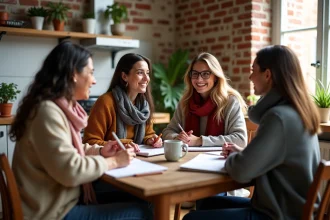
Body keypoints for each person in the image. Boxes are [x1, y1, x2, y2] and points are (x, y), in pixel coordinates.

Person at [9, 41, 153, 220]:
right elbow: (72, 170)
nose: (94, 80)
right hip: (52, 212)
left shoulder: (53, 108)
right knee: (143, 212)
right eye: (91, 73)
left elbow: (69, 150)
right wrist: (114, 162)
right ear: (73, 75)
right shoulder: (47, 113)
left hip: (59, 200)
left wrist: (101, 150)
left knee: (144, 199)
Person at [183, 45, 321, 220]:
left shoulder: (278, 117)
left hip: (278, 214)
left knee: (190, 219)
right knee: (206, 202)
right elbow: (276, 159)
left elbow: (241, 171)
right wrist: (243, 154)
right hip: (283, 207)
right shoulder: (296, 111)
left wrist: (237, 158)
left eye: (253, 70)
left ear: (268, 75)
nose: (250, 77)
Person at [162, 52, 248, 202]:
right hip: (189, 170)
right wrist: (178, 137)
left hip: (221, 176)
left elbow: (240, 140)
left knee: (206, 201)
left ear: (215, 76)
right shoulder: (185, 103)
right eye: (195, 74)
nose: (199, 79)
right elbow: (167, 132)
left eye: (205, 74)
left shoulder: (229, 102)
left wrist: (199, 141)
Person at [83, 53, 162, 149]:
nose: (146, 78)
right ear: (124, 76)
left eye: (147, 73)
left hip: (138, 159)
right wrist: (121, 145)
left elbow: (148, 134)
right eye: (140, 73)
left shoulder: (143, 105)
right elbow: (90, 142)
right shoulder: (106, 102)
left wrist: (151, 139)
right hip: (112, 161)